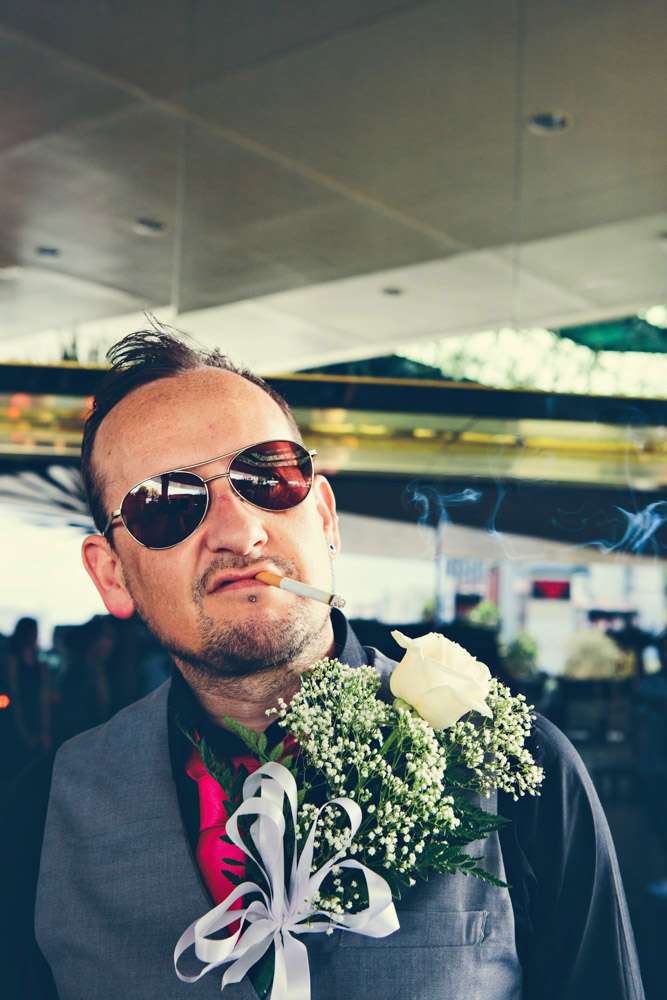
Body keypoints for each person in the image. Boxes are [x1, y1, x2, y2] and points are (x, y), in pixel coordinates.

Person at [0, 329, 645, 999]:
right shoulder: (41, 815)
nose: (239, 531)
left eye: (267, 476)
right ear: (111, 575)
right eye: (165, 504)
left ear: (326, 516)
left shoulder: (518, 766)